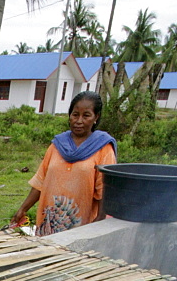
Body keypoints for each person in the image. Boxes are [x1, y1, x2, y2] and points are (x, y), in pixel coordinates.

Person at [9, 91, 117, 236]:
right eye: (75, 114)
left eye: (86, 115)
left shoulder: (103, 148)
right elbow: (41, 181)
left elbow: (106, 190)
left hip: (81, 225)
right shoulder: (57, 145)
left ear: (96, 117)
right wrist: (23, 208)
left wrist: (99, 219)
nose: (79, 121)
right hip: (49, 222)